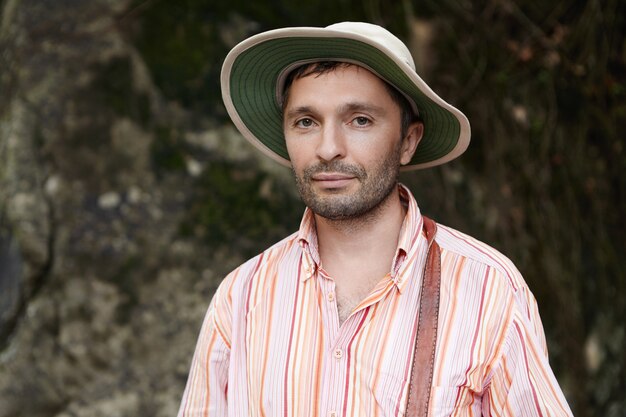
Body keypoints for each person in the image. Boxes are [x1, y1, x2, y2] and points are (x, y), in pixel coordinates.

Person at [177, 22, 573, 417]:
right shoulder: (241, 296)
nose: (328, 148)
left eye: (360, 120)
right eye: (306, 122)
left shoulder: (488, 289)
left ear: (408, 141)